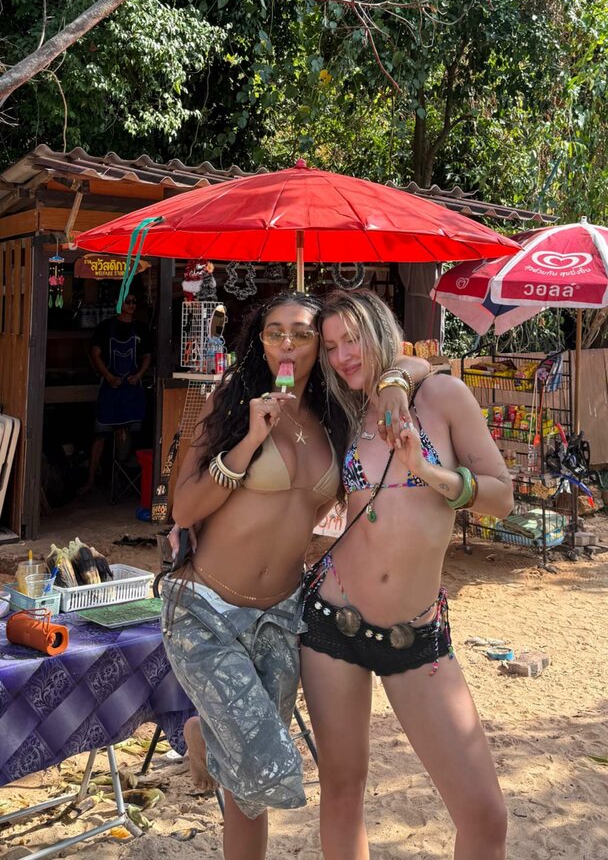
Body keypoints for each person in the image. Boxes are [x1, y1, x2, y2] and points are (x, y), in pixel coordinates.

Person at [161, 292, 429, 860]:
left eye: (303, 334)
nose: (287, 343)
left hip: (282, 616)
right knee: (269, 767)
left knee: (247, 798)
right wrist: (251, 441)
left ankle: (208, 737)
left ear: (319, 348)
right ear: (260, 343)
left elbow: (422, 361)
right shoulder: (231, 402)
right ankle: (203, 737)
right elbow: (184, 508)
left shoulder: (338, 417)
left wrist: (394, 382)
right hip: (206, 612)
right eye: (274, 332)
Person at [300, 288, 513, 860]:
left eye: (353, 339)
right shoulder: (342, 410)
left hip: (415, 636)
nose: (343, 356)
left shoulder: (443, 397)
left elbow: (502, 497)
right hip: (331, 623)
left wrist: (430, 472)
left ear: (381, 330)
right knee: (342, 790)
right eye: (331, 347)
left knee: (485, 817)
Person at [80, 293, 152, 494]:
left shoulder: (141, 328)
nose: (132, 305)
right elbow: (95, 354)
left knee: (126, 434)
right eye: (128, 301)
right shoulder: (105, 327)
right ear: (119, 302)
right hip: (110, 391)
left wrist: (139, 375)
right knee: (100, 436)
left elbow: (147, 356)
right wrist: (109, 376)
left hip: (131, 390)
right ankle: (91, 480)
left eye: (134, 301)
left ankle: (119, 479)